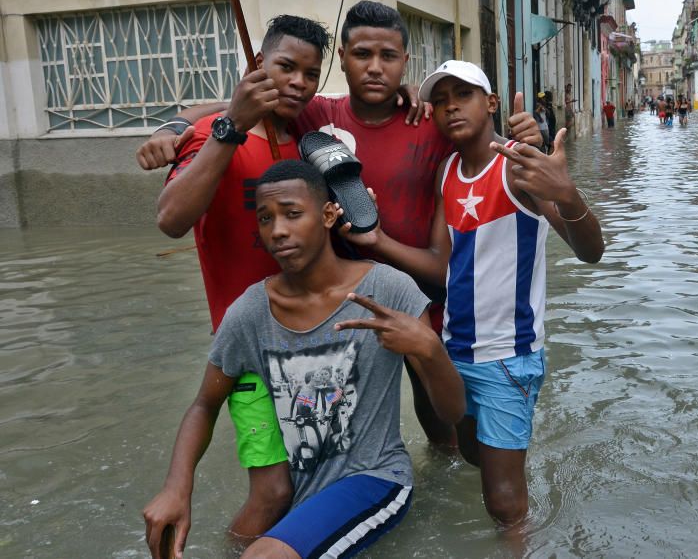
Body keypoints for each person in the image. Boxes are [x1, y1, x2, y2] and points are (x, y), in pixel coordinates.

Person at [136, 0, 542, 449]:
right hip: (336, 302)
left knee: (451, 430)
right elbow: (243, 103)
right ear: (344, 59)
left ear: (405, 63)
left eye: (388, 57)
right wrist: (170, 124)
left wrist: (528, 143)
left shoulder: (428, 119)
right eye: (362, 55)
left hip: (422, 293)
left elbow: (482, 145)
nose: (374, 68)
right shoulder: (315, 114)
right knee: (334, 432)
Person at [142, 159, 465, 559]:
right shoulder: (250, 313)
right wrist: (177, 488)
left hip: (375, 478)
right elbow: (204, 405)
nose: (278, 230)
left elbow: (453, 411)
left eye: (293, 214)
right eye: (265, 218)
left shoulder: (388, 289)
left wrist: (429, 349)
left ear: (329, 214)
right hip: (301, 492)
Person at [344, 60, 604, 526]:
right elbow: (443, 269)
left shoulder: (519, 166)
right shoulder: (447, 171)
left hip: (509, 354)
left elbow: (591, 252)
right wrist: (378, 242)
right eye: (440, 101)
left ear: (491, 103)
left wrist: (567, 194)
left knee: (504, 504)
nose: (450, 108)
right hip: (455, 350)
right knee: (471, 457)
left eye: (462, 95)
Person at [155, 14, 331, 541]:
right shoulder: (212, 135)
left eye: (310, 73)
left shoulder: (309, 140)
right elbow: (170, 220)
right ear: (258, 66)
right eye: (285, 67)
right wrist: (228, 125)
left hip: (315, 341)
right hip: (246, 348)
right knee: (273, 490)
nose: (298, 82)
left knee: (317, 479)